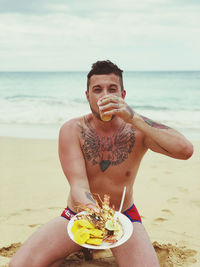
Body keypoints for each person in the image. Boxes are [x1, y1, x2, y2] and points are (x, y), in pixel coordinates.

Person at [9, 60, 193, 267]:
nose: (105, 95)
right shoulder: (73, 130)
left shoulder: (139, 130)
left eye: (112, 89)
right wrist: (97, 222)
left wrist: (134, 118)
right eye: (97, 89)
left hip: (124, 216)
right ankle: (83, 245)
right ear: (88, 96)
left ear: (123, 96)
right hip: (79, 215)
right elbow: (78, 185)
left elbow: (185, 150)